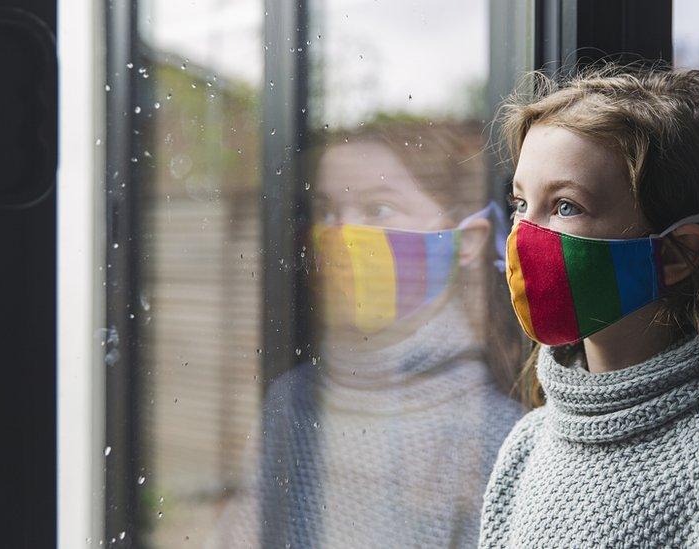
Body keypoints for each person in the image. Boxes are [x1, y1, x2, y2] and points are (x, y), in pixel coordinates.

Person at [478, 65, 699, 547]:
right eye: (521, 203)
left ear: (675, 254)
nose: (524, 235)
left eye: (566, 206)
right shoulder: (526, 446)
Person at [212, 120, 525, 548]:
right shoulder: (293, 400)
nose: (341, 235)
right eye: (326, 212)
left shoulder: (496, 433)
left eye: (378, 209)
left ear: (466, 241)